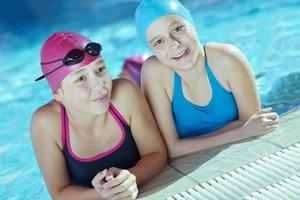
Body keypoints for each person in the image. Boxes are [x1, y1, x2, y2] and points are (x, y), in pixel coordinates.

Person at [135, 0, 280, 159]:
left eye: (177, 29)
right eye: (159, 42)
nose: (174, 44)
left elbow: (254, 122)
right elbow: (170, 149)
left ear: (192, 23)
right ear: (151, 50)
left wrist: (189, 143)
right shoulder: (154, 73)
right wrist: (240, 132)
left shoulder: (227, 58)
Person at [30, 32, 167, 200]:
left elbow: (157, 154)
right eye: (81, 78)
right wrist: (103, 194)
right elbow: (59, 193)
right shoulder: (46, 123)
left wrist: (132, 177)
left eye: (100, 69)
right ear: (58, 93)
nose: (99, 84)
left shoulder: (125, 93)